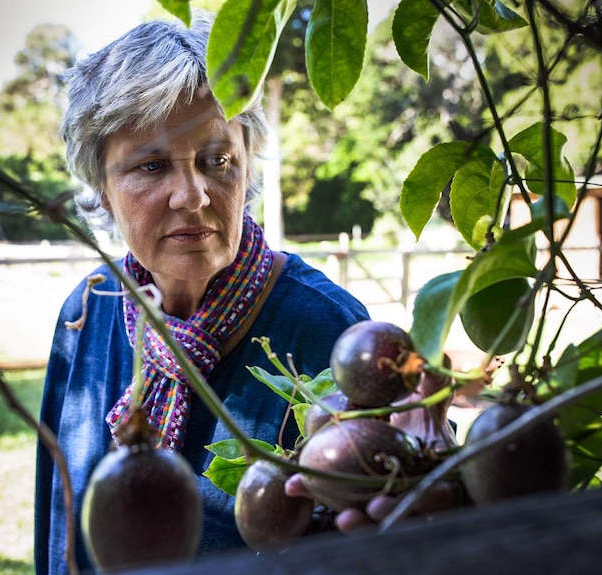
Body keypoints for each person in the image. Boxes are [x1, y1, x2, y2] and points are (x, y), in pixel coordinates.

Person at [34, 11, 370, 574]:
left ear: (247, 167)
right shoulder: (86, 311)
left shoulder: (328, 331)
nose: (190, 195)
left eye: (217, 161)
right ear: (102, 187)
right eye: (151, 165)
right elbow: (59, 516)